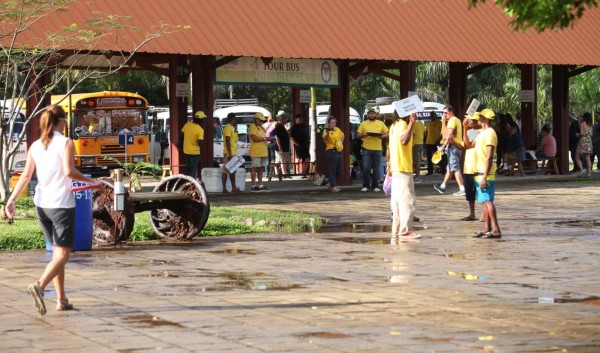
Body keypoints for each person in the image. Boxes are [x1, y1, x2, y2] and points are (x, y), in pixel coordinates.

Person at [4, 104, 99, 315]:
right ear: (61, 122)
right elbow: (69, 171)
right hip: (61, 205)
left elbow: (27, 176)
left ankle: (61, 299)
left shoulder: (36, 146)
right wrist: (93, 181)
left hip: (42, 205)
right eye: (65, 121)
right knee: (64, 254)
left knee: (57, 254)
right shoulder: (66, 142)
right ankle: (40, 285)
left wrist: (11, 200)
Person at [463, 109, 501, 239]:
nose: (477, 119)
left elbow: (489, 157)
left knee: (487, 201)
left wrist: (485, 176)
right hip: (478, 172)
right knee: (484, 202)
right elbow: (468, 145)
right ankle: (487, 227)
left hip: (486, 173)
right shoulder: (481, 134)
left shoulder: (490, 133)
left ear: (484, 119)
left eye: (479, 117)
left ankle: (496, 229)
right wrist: (464, 129)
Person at [387, 112, 421, 242]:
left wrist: (389, 164)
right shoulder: (403, 125)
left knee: (396, 202)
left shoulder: (393, 126)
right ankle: (405, 231)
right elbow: (404, 140)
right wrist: (411, 124)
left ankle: (396, 229)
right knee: (407, 201)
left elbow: (390, 147)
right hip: (403, 167)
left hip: (396, 167)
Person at [433, 105, 465, 196]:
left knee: (455, 168)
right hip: (457, 146)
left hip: (453, 146)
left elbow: (449, 135)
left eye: (445, 113)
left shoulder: (452, 120)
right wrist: (443, 121)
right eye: (443, 113)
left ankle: (462, 188)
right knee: (450, 168)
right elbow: (446, 134)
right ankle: (442, 187)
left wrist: (443, 146)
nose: (444, 115)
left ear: (451, 112)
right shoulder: (456, 120)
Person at [356, 107, 389, 192]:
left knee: (376, 168)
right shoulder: (363, 123)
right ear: (367, 115)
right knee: (366, 167)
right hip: (366, 148)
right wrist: (363, 135)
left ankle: (375, 186)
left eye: (373, 113)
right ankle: (366, 185)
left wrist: (382, 136)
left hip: (377, 148)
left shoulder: (381, 123)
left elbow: (388, 133)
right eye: (370, 113)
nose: (371, 115)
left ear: (376, 114)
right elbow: (357, 135)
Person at [459, 114, 482, 221]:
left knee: (481, 192)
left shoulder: (482, 132)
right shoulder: (469, 132)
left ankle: (483, 213)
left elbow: (468, 144)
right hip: (468, 165)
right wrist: (453, 142)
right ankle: (472, 213)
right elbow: (464, 146)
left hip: (478, 166)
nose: (470, 122)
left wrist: (464, 128)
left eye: (472, 120)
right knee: (469, 192)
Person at [249, 112, 272, 191]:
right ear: (256, 119)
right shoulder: (252, 127)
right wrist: (265, 139)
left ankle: (261, 184)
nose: (261, 122)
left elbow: (265, 137)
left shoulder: (262, 127)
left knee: (261, 168)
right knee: (255, 168)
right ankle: (253, 185)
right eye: (260, 120)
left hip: (263, 151)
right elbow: (254, 139)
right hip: (256, 151)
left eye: (262, 120)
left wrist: (270, 139)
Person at [323, 115, 344, 192]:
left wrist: (340, 143)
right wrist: (328, 133)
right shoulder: (327, 130)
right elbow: (325, 138)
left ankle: (330, 183)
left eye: (335, 122)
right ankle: (333, 187)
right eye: (332, 122)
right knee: (332, 169)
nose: (333, 124)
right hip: (331, 150)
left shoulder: (337, 129)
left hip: (338, 150)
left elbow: (343, 136)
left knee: (339, 169)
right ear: (329, 123)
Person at [181, 111, 205, 179]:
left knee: (188, 169)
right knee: (193, 170)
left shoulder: (187, 125)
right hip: (195, 153)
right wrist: (201, 143)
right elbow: (200, 143)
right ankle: (191, 185)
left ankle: (187, 183)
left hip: (186, 151)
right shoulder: (200, 130)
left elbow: (181, 135)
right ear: (201, 119)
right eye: (203, 118)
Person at [221, 112, 241, 193]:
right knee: (226, 171)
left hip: (233, 152)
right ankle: (225, 188)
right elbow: (227, 140)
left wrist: (235, 130)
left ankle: (233, 187)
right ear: (233, 119)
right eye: (235, 119)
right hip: (229, 153)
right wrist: (229, 153)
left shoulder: (232, 128)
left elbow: (235, 140)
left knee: (232, 171)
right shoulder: (228, 128)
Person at [272, 112, 292, 180]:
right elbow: (277, 137)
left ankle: (284, 172)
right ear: (282, 119)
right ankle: (278, 173)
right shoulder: (278, 127)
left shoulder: (282, 127)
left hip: (284, 147)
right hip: (280, 147)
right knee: (278, 160)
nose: (286, 120)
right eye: (285, 119)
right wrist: (280, 147)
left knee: (283, 160)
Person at [290, 113, 310, 178]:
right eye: (300, 118)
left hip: (305, 145)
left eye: (302, 118)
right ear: (296, 119)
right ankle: (296, 172)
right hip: (299, 146)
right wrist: (297, 144)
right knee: (298, 158)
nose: (301, 120)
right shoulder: (294, 127)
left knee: (307, 158)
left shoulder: (303, 126)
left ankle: (303, 172)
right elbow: (292, 137)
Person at [575, 112, 593, 177]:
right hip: (589, 142)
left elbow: (582, 133)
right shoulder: (591, 125)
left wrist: (578, 135)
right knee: (588, 158)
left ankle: (582, 170)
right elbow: (591, 134)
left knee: (577, 157)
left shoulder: (582, 123)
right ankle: (589, 173)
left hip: (582, 141)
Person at [425, 111, 442, 176]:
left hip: (436, 143)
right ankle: (430, 171)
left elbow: (442, 132)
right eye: (431, 115)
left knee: (439, 157)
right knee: (429, 158)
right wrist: (425, 141)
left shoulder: (439, 122)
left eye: (433, 115)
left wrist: (439, 140)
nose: (432, 116)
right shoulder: (428, 123)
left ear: (435, 115)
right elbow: (426, 133)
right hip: (428, 143)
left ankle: (442, 170)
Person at [412, 113, 425, 183]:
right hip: (420, 143)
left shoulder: (414, 124)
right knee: (418, 161)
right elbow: (424, 132)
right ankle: (417, 176)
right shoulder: (421, 123)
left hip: (415, 144)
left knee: (416, 161)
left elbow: (413, 135)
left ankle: (418, 177)